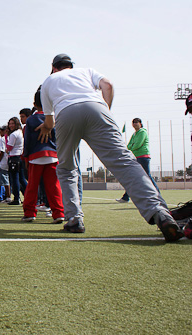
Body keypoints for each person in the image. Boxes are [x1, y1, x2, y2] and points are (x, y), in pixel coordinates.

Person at [39, 53, 183, 241]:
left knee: (66, 169)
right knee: (125, 162)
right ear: (71, 66)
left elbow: (49, 121)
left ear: (54, 67)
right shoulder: (86, 71)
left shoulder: (49, 80)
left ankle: (74, 219)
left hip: (66, 112)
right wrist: (105, 109)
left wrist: (45, 127)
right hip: (97, 108)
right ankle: (160, 213)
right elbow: (108, 85)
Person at [21, 87, 64, 223]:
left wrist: (26, 157)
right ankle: (58, 213)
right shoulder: (54, 117)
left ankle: (29, 213)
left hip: (35, 156)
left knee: (32, 186)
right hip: (53, 154)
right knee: (54, 186)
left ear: (34, 104)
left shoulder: (31, 120)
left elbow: (27, 141)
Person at [116, 117, 159, 203]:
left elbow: (137, 145)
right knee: (134, 177)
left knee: (146, 177)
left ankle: (157, 195)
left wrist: (132, 147)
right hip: (136, 157)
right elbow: (129, 145)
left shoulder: (142, 132)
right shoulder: (135, 134)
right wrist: (131, 147)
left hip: (143, 157)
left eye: (136, 122)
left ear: (140, 123)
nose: (135, 124)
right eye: (133, 122)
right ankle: (126, 197)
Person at [6, 117, 27, 205]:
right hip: (20, 157)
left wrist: (7, 137)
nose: (11, 125)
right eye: (10, 123)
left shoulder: (14, 134)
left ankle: (16, 198)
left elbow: (9, 147)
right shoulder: (20, 133)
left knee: (15, 179)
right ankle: (30, 196)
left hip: (14, 157)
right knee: (22, 179)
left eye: (12, 123)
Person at [0, 125, 11, 203]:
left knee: (5, 181)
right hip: (10, 161)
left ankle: (8, 197)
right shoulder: (10, 137)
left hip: (4, 162)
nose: (0, 132)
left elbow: (2, 151)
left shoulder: (2, 139)